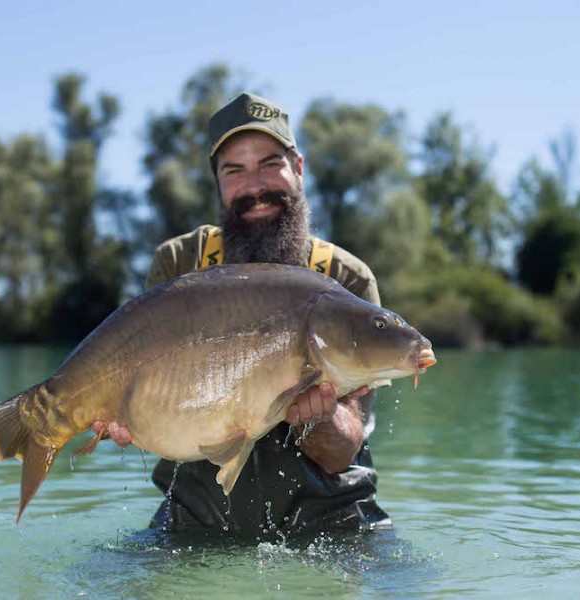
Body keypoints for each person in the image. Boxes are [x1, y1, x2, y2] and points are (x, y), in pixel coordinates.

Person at [94, 93, 391, 534]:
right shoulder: (179, 263)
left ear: (299, 170)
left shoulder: (345, 281)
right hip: (199, 518)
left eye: (270, 164)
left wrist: (321, 414)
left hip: (327, 523)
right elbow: (151, 404)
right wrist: (121, 415)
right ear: (217, 183)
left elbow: (341, 452)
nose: (255, 187)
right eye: (235, 171)